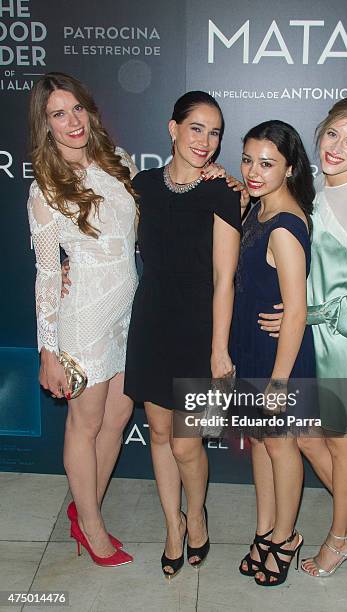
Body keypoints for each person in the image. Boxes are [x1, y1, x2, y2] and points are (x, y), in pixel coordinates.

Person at [258, 96, 347, 577]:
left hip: (345, 347)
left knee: (341, 444)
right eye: (334, 133)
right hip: (316, 339)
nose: (337, 146)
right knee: (307, 437)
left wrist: (308, 312)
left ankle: (339, 541)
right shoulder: (322, 187)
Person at [124, 91, 241, 577]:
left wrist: (219, 350)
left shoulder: (223, 193)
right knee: (159, 434)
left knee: (187, 443)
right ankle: (172, 526)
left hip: (199, 329)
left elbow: (224, 279)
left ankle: (197, 516)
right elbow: (110, 242)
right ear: (172, 128)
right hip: (151, 321)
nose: (206, 141)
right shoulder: (142, 186)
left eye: (214, 132)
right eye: (196, 128)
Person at [27, 72, 138, 567]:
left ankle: (86, 504)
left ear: (90, 111)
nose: (71, 122)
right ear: (46, 125)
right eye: (58, 114)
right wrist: (47, 350)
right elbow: (48, 274)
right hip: (84, 317)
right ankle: (90, 524)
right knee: (86, 422)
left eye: (77, 109)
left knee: (118, 416)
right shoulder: (46, 187)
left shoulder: (118, 163)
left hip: (130, 311)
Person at [232, 121, 316, 586]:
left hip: (277, 358)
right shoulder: (258, 210)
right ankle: (264, 530)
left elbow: (297, 311)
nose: (254, 171)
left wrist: (281, 382)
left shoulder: (284, 225)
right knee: (261, 443)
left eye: (267, 163)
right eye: (248, 160)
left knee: (280, 446)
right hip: (251, 347)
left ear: (289, 167)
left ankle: (286, 537)